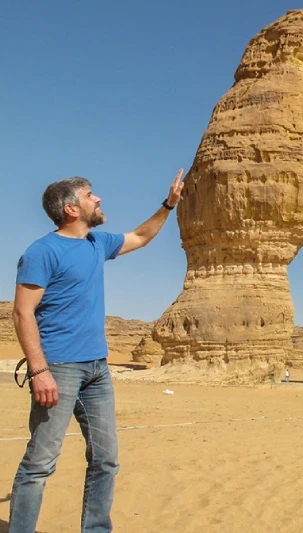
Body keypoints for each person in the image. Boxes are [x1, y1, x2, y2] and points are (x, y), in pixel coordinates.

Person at [9, 170, 185, 533]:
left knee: (106, 460)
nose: (99, 199)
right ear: (71, 209)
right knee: (40, 462)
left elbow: (140, 236)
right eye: (91, 195)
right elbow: (22, 311)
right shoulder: (42, 251)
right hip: (58, 368)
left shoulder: (96, 243)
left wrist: (169, 204)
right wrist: (40, 371)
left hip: (97, 370)